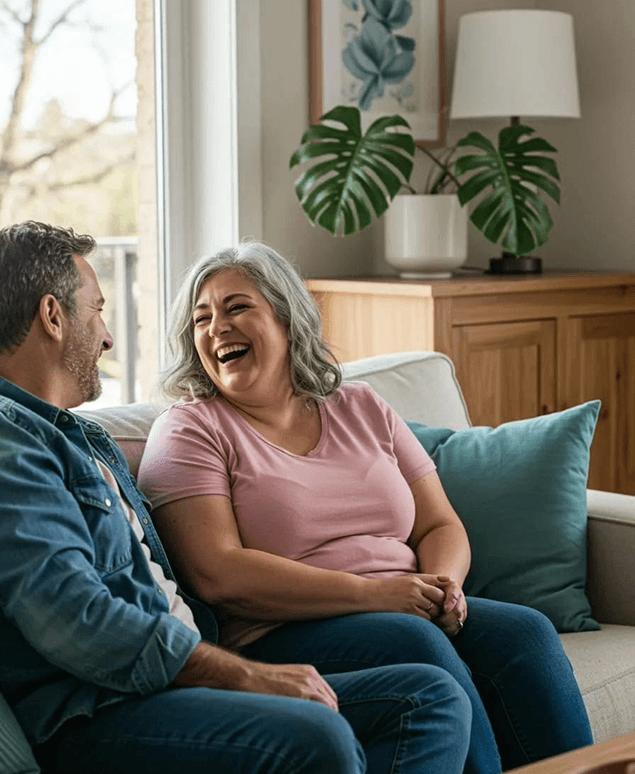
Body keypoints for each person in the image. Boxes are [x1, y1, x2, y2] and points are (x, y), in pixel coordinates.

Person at [0, 221, 475, 774]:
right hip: (103, 706)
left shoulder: (81, 438)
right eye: (97, 310)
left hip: (176, 674)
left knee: (432, 697)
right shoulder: (13, 445)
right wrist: (245, 673)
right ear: (53, 316)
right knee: (327, 729)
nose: (107, 338)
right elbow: (75, 617)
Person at [138, 240, 595, 774]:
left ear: (287, 318)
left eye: (236, 307)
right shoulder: (189, 429)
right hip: (278, 631)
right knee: (416, 639)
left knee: (526, 633)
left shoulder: (361, 406)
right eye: (201, 319)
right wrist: (375, 595)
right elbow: (216, 572)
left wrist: (446, 587)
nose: (217, 327)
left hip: (403, 605)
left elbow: (440, 523)